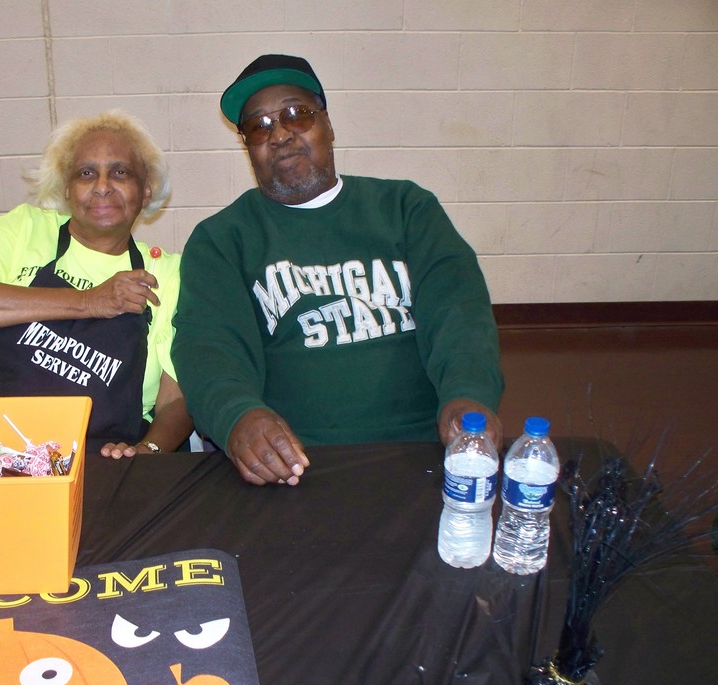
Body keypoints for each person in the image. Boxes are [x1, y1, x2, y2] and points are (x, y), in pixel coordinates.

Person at [172, 54, 504, 486]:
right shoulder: (221, 239)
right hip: (294, 465)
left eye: (296, 114)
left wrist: (467, 394)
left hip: (424, 449)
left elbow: (459, 314)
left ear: (327, 124)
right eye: (259, 126)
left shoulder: (406, 209)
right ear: (248, 146)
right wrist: (238, 416)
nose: (280, 134)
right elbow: (208, 348)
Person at [0, 110, 193, 458]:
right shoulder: (26, 229)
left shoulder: (167, 272)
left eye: (120, 172)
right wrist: (89, 302)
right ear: (67, 189)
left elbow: (177, 397)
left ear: (145, 191)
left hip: (93, 464)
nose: (102, 186)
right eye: (86, 173)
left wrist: (148, 451)